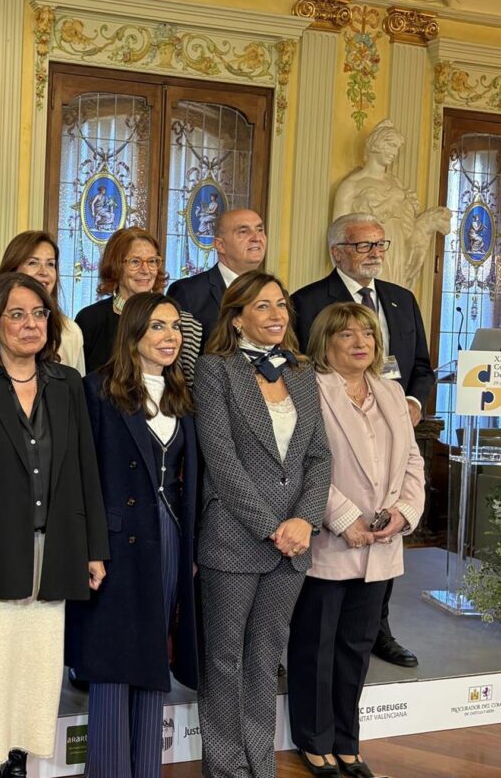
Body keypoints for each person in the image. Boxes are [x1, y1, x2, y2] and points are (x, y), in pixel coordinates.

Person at [0, 272, 108, 778]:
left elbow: (83, 470)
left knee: (35, 672)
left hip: (53, 553)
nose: (30, 325)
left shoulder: (67, 384)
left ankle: (17, 765)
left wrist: (93, 549)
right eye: (17, 315)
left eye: (39, 315)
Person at [193, 270, 331, 778]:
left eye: (281, 306)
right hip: (234, 536)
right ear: (237, 317)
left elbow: (319, 457)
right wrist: (275, 525)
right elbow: (222, 461)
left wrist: (304, 520)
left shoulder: (301, 371)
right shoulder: (215, 371)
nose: (277, 316)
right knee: (225, 656)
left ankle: (260, 764)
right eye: (263, 307)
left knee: (266, 656)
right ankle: (228, 768)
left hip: (293, 543)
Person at [291, 212, 435, 669]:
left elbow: (422, 366)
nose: (375, 253)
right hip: (333, 439)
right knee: (324, 616)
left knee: (381, 559)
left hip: (394, 422)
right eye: (363, 246)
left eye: (380, 245)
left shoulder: (401, 299)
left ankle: (381, 632)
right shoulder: (308, 300)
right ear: (337, 252)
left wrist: (410, 403)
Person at [287, 302, 425, 778]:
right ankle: (314, 741)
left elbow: (413, 463)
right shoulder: (309, 389)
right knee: (316, 649)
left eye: (366, 333)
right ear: (326, 343)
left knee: (355, 650)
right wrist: (344, 518)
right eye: (346, 335)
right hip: (329, 543)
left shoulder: (391, 392)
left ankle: (348, 742)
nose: (360, 342)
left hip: (382, 546)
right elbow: (302, 464)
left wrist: (403, 515)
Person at [66, 292, 200, 778]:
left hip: (167, 537)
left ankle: (145, 769)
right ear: (134, 334)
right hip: (114, 541)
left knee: (152, 657)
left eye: (175, 327)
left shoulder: (182, 394)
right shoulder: (97, 390)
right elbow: (81, 475)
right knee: (112, 659)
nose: (170, 337)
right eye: (158, 327)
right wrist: (89, 548)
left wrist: (192, 548)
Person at [333, 118, 450, 290]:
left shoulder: (396, 183)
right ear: (375, 144)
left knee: (392, 294)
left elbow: (408, 223)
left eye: (396, 147)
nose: (394, 152)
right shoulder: (351, 185)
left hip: (395, 245)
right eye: (390, 145)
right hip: (365, 248)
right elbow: (337, 235)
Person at [76, 226, 203, 380]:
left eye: (152, 261)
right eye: (135, 262)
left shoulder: (185, 323)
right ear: (115, 265)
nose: (145, 270)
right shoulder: (90, 319)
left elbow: (188, 390)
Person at [167, 208, 267, 347]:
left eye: (260, 229)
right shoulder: (188, 292)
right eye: (244, 231)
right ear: (220, 245)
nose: (256, 238)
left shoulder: (275, 293)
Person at [0, 229, 86, 374]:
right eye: (33, 263)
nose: (44, 272)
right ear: (12, 270)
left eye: (50, 264)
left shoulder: (71, 332)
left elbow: (75, 391)